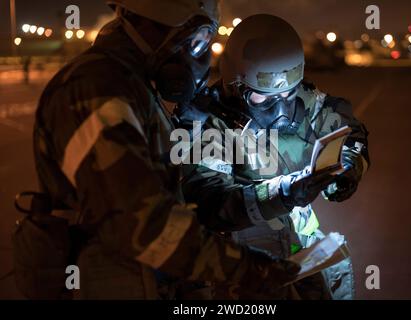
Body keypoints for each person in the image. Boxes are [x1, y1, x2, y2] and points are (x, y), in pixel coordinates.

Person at [22, 1, 301, 300]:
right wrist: (245, 268)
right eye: (196, 40)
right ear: (152, 24)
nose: (200, 55)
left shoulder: (134, 86)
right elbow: (141, 223)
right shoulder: (97, 89)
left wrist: (281, 194)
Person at [176, 14, 370, 299]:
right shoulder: (202, 122)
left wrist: (350, 165)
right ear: (235, 84)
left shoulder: (306, 101)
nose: (280, 108)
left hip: (300, 259)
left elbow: (350, 130)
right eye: (264, 97)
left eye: (287, 93)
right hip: (235, 273)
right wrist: (282, 194)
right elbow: (208, 201)